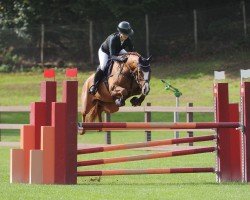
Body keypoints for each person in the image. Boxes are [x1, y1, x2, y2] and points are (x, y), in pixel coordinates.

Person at [89, 21, 134, 95]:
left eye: (128, 34)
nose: (127, 36)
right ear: (120, 32)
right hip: (105, 52)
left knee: (127, 55)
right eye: (125, 34)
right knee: (103, 66)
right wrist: (121, 59)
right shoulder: (113, 39)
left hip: (118, 50)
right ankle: (94, 86)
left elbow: (131, 53)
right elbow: (112, 56)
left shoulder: (128, 40)